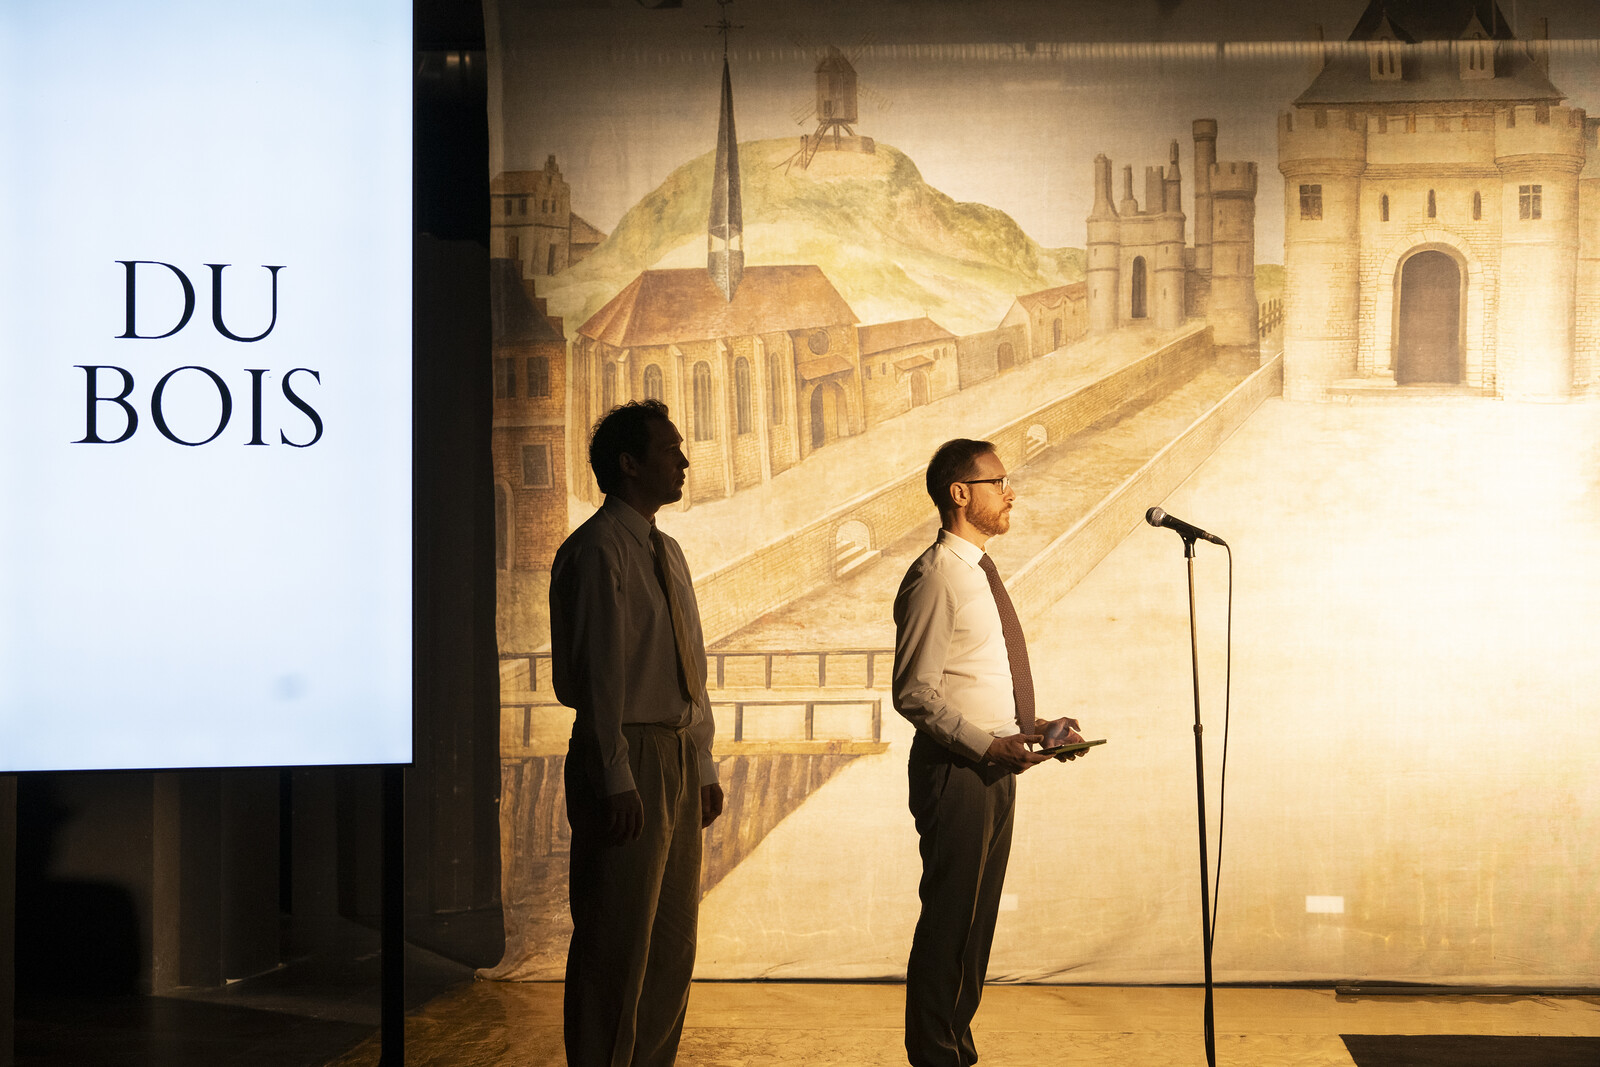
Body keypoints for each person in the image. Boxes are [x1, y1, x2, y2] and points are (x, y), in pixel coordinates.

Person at [893, 438, 1089, 1067]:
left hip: (994, 765)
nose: (1011, 492)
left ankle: (955, 1049)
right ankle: (935, 1054)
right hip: (956, 772)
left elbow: (976, 678)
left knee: (975, 926)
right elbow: (914, 692)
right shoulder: (935, 577)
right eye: (998, 480)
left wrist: (1035, 727)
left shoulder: (976, 571)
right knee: (951, 921)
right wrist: (988, 744)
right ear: (960, 493)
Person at [550, 399, 725, 1067]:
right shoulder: (597, 551)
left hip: (675, 752)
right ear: (629, 464)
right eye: (668, 449)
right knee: (615, 936)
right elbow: (599, 678)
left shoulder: (666, 549)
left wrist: (703, 762)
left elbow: (691, 663)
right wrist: (615, 774)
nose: (682, 460)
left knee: (671, 939)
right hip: (627, 751)